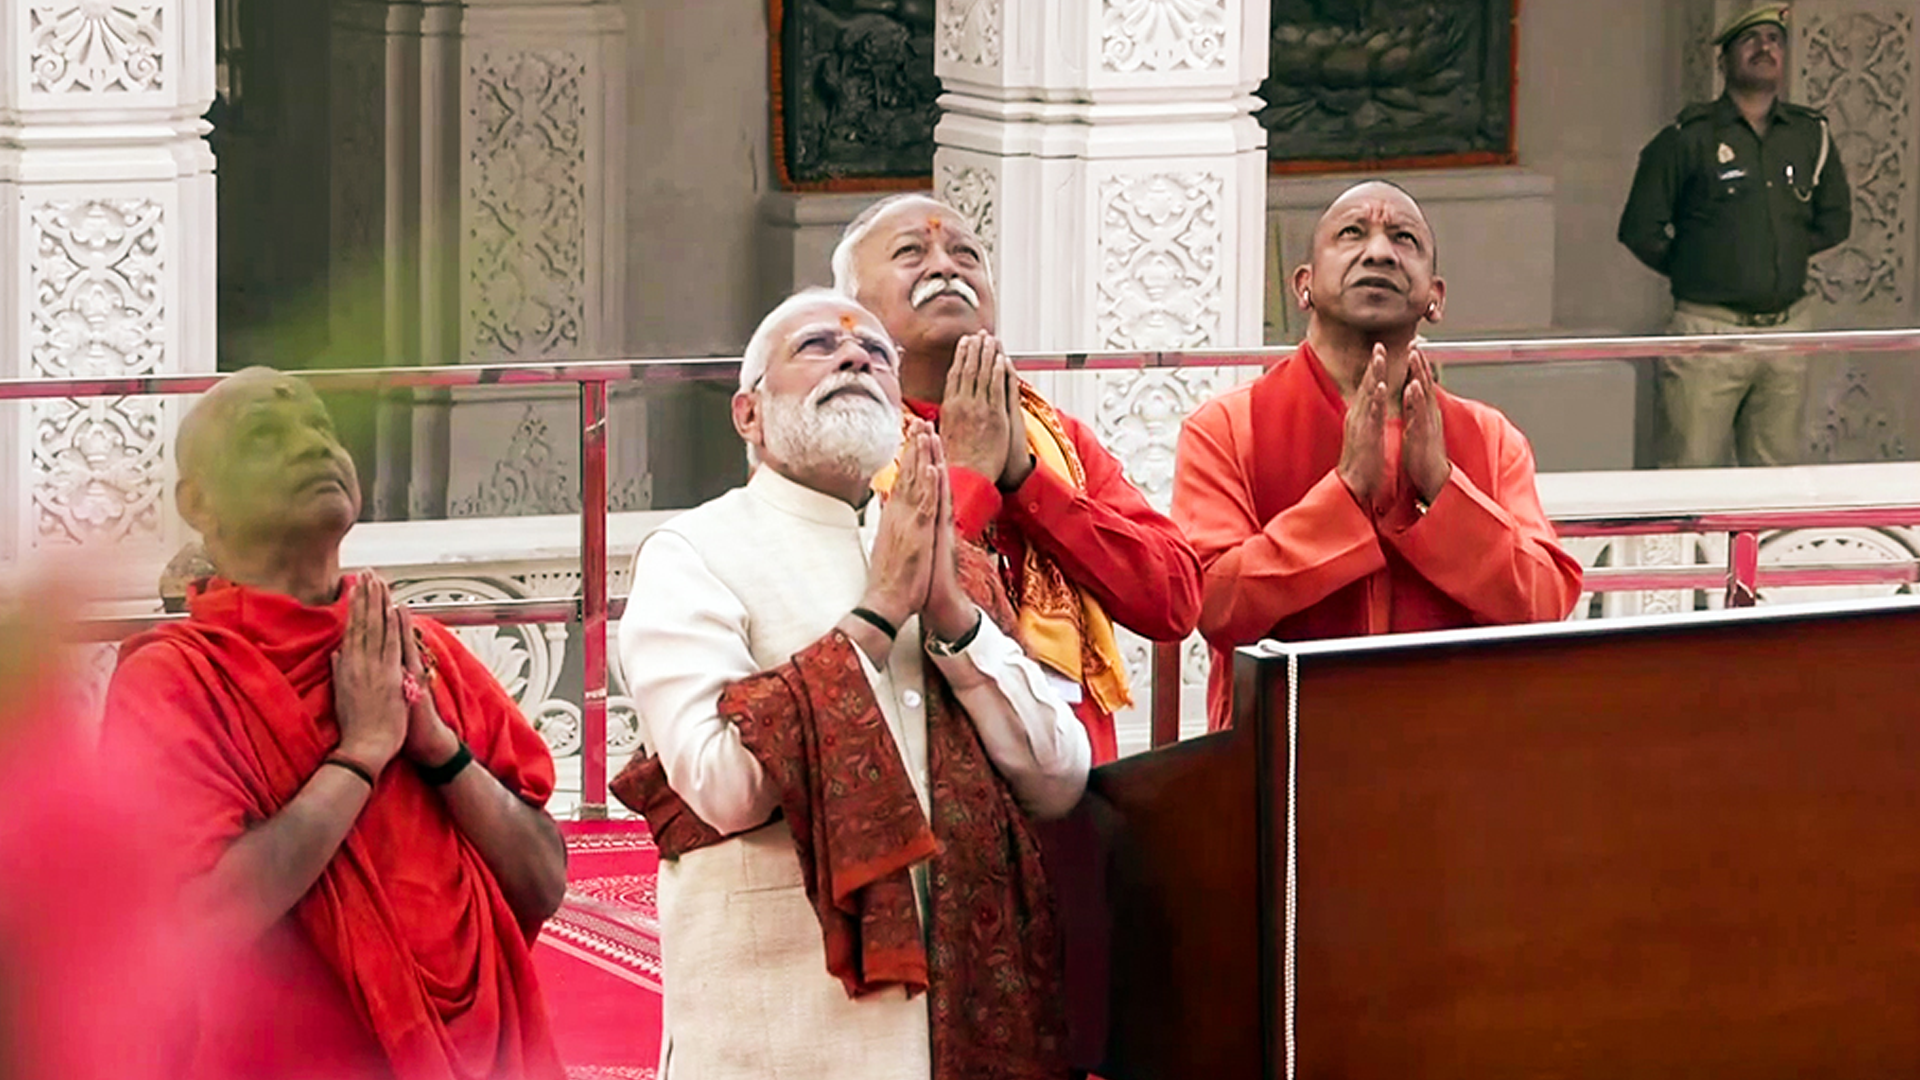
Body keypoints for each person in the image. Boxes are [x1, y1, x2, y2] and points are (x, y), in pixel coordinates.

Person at [614, 288, 1088, 1080]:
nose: (853, 358)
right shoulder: (692, 551)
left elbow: (1059, 775)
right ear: (748, 415)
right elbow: (723, 788)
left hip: (963, 1022)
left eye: (874, 354)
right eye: (816, 349)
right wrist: (875, 617)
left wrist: (950, 617)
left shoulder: (951, 559)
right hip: (784, 1022)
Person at [101, 368, 569, 1080]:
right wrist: (361, 757)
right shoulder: (174, 680)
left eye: (322, 426)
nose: (311, 445)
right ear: (197, 504)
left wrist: (438, 748)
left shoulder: (420, 652)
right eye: (267, 434)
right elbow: (204, 920)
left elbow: (543, 882)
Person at [1172, 181, 1584, 731]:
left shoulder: (1490, 438)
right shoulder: (1226, 428)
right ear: (1304, 285)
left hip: (1454, 762)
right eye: (1351, 233)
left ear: (1435, 297)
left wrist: (1442, 487)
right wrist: (1341, 496)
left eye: (1403, 238)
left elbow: (1546, 603)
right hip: (1286, 770)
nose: (1379, 251)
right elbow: (1213, 605)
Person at [832, 194, 1202, 763]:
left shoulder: (1055, 441)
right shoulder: (839, 446)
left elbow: (1173, 600)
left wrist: (1028, 481)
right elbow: (876, 612)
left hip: (1073, 782)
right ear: (851, 311)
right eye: (912, 252)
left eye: (965, 254)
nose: (944, 266)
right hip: (922, 768)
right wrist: (970, 479)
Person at [1618, 2, 1851, 467]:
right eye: (1750, 40)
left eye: (1774, 40)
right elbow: (1639, 228)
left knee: (1774, 482)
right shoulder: (1688, 137)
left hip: (1786, 334)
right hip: (1708, 332)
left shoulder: (1810, 135)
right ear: (1723, 60)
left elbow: (1834, 220)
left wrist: (1771, 258)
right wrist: (1701, 265)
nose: (1765, 48)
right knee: (1689, 475)